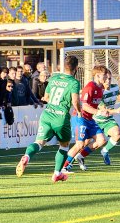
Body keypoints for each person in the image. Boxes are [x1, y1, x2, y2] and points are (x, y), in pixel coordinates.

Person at [16, 55, 82, 183]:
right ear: (76, 68)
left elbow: (45, 97)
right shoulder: (74, 82)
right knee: (64, 146)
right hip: (61, 118)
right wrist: (79, 111)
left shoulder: (54, 78)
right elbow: (75, 100)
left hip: (47, 114)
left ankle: (27, 157)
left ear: (64, 66)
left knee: (39, 143)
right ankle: (57, 174)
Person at [62, 65, 109, 172]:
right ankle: (64, 167)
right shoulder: (90, 87)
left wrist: (103, 109)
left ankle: (80, 156)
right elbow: (84, 106)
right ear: (97, 76)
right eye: (104, 76)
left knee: (101, 140)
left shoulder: (101, 88)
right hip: (80, 117)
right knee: (80, 144)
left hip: (90, 119)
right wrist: (99, 112)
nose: (106, 79)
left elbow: (96, 103)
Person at [81, 69, 120, 165]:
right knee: (84, 143)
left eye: (110, 78)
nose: (108, 81)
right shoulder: (99, 91)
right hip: (95, 120)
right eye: (106, 78)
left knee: (117, 135)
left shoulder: (114, 87)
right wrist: (116, 111)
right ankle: (79, 157)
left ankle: (105, 151)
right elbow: (103, 111)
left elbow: (118, 93)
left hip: (107, 120)